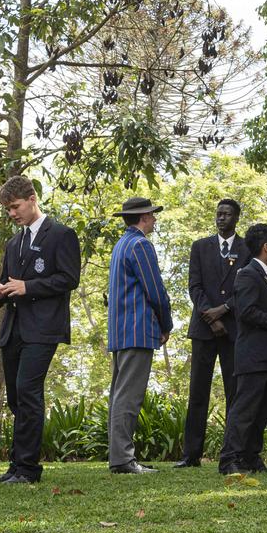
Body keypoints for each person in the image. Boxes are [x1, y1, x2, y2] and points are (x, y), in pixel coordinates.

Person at [0, 175, 80, 484]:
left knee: (29, 391)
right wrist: (1, 293)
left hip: (43, 328)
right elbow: (6, 282)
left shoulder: (62, 235)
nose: (12, 214)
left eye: (15, 207)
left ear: (32, 199)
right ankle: (15, 466)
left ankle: (28, 469)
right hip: (13, 329)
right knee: (16, 398)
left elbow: (69, 279)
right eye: (7, 210)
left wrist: (28, 286)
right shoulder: (14, 243)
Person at [179, 198, 252, 467]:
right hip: (203, 328)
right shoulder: (200, 247)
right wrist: (210, 316)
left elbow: (245, 288)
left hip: (233, 330)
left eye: (227, 214)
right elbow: (194, 287)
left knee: (235, 392)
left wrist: (224, 310)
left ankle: (232, 452)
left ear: (236, 218)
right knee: (198, 391)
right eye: (218, 214)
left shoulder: (247, 249)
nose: (221, 218)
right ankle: (191, 455)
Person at [218, 224, 267, 474]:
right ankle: (229, 459)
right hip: (252, 355)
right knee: (245, 409)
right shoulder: (248, 274)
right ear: (266, 247)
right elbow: (247, 312)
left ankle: (250, 457)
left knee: (262, 410)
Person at [105, 197, 173, 475]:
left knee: (119, 395)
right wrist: (165, 324)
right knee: (129, 398)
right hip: (137, 330)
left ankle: (119, 456)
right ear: (143, 216)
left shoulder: (121, 245)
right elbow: (155, 290)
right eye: (153, 215)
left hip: (121, 332)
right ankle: (123, 459)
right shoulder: (140, 245)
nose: (155, 220)